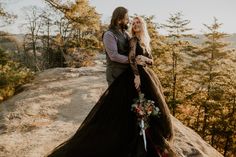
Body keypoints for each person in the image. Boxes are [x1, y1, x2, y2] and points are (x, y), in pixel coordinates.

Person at [46, 15, 175, 157]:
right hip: (134, 76)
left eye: (138, 22)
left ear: (142, 25)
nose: (136, 24)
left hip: (148, 77)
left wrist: (144, 59)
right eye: (134, 22)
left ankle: (150, 136)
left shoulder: (144, 41)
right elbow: (131, 59)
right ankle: (136, 138)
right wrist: (137, 76)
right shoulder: (133, 40)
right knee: (134, 108)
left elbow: (151, 60)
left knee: (149, 108)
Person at [103, 6, 130, 86]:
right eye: (126, 18)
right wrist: (132, 60)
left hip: (126, 72)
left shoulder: (126, 34)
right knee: (116, 98)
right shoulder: (109, 34)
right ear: (119, 20)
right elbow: (114, 56)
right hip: (115, 74)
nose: (128, 21)